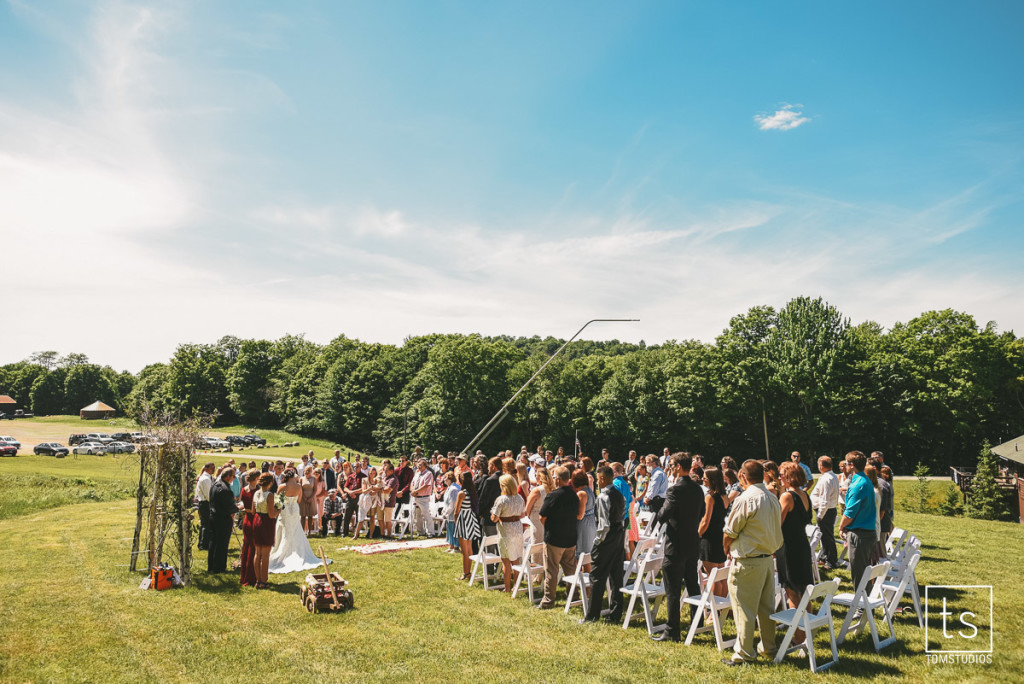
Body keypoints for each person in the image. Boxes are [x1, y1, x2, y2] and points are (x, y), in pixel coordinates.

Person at [721, 459, 783, 666]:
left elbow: (731, 530)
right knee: (766, 608)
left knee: (743, 608)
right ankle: (768, 647)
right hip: (767, 559)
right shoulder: (772, 496)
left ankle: (744, 653)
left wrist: (726, 547)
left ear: (742, 476)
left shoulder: (746, 498)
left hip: (748, 560)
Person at [652, 453, 705, 642]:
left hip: (675, 544)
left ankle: (672, 630)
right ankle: (697, 623)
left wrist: (658, 507)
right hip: (692, 542)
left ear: (679, 467)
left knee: (673, 589)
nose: (670, 467)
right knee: (692, 583)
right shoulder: (697, 489)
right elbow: (702, 512)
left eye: (672, 464)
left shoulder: (675, 490)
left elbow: (663, 515)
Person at [581, 465, 626, 624]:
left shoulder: (603, 497)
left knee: (597, 577)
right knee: (616, 576)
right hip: (619, 535)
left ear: (601, 479)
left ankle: (592, 615)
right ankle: (615, 613)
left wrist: (597, 543)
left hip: (607, 538)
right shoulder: (619, 494)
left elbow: (603, 526)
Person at [778, 461, 814, 643]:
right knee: (805, 591)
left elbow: (778, 523)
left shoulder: (787, 496)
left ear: (789, 476)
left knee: (792, 591)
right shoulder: (804, 495)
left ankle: (799, 638)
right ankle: (808, 633)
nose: (779, 478)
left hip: (789, 547)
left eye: (782, 475)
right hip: (802, 545)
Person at [268, 468, 329, 573]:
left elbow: (278, 502)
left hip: (285, 509)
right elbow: (299, 500)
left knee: (284, 529)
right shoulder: (299, 487)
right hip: (295, 509)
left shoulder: (282, 487)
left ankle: (281, 551)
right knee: (296, 528)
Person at [538, 467, 579, 610]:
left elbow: (542, 517)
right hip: (570, 537)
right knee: (571, 569)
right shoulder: (574, 495)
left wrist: (550, 526)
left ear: (557, 479)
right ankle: (573, 595)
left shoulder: (553, 495)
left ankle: (548, 600)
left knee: (551, 570)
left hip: (554, 538)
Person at [839, 451, 877, 591]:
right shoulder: (864, 480)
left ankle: (862, 607)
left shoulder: (858, 484)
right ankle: (866, 606)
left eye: (845, 464)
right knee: (864, 571)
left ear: (852, 465)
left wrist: (841, 527)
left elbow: (849, 513)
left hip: (860, 535)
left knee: (859, 573)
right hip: (868, 532)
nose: (844, 466)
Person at [490, 474, 526, 592]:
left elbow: (494, 518)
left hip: (506, 529)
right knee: (516, 559)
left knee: (505, 560)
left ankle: (507, 587)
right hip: (517, 528)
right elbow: (522, 514)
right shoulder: (519, 498)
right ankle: (516, 585)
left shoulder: (502, 499)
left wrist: (492, 514)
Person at [698, 466, 729, 597]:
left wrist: (697, 535)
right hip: (719, 536)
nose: (702, 479)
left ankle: (714, 610)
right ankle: (722, 609)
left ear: (712, 480)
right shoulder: (725, 496)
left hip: (709, 538)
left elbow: (706, 520)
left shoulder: (710, 497)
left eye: (705, 477)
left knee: (712, 576)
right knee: (721, 575)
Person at [810, 456, 839, 569]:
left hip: (825, 511)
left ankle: (832, 560)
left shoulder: (827, 479)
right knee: (824, 536)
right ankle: (824, 556)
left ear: (821, 466)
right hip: (827, 510)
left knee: (827, 537)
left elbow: (824, 499)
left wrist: (820, 514)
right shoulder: (831, 476)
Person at [252, 473, 279, 589]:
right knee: (265, 554)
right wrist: (279, 510)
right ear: (270, 483)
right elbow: (272, 514)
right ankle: (264, 581)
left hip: (256, 520)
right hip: (266, 522)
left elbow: (253, 511)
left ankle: (258, 580)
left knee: (257, 553)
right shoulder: (270, 495)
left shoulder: (256, 493)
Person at [207, 467, 237, 574]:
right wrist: (237, 508)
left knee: (213, 542)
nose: (234, 478)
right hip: (223, 519)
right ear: (228, 476)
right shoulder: (226, 489)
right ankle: (219, 567)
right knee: (222, 544)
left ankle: (211, 566)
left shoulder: (215, 485)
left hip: (213, 517)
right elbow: (230, 507)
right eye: (233, 476)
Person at [454, 471, 481, 580]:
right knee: (469, 548)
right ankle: (468, 572)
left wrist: (457, 523)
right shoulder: (473, 492)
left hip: (463, 519)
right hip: (471, 519)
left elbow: (456, 511)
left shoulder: (462, 493)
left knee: (464, 550)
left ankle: (466, 573)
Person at [239, 470, 260, 586]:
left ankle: (244, 576)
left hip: (246, 519)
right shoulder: (257, 491)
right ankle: (250, 577)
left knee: (246, 547)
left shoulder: (244, 489)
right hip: (253, 518)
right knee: (253, 547)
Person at [524, 466, 553, 547]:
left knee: (537, 546)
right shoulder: (553, 489)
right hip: (550, 521)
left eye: (536, 475)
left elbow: (527, 510)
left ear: (540, 477)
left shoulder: (537, 491)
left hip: (537, 521)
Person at [477, 457, 503, 540]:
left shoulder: (490, 480)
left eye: (489, 465)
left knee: (489, 546)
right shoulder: (505, 478)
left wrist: (480, 513)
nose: (488, 468)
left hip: (489, 516)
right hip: (502, 516)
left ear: (493, 466)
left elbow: (484, 499)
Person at [574, 469, 597, 559]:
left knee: (582, 555)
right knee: (588, 552)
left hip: (583, 524)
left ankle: (583, 573)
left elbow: (580, 515)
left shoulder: (582, 493)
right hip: (591, 522)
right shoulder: (589, 490)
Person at [870, 456, 894, 541]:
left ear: (874, 468)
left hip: (880, 524)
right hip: (876, 523)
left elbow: (882, 510)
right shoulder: (876, 482)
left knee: (880, 550)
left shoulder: (880, 484)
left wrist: (876, 525)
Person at [410, 458, 436, 537]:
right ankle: (421, 531)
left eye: (420, 465)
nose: (419, 466)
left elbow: (426, 485)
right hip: (416, 497)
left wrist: (416, 491)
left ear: (425, 466)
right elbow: (412, 483)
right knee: (418, 515)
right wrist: (412, 490)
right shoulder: (417, 473)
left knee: (426, 514)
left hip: (424, 497)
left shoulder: (428, 474)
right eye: (418, 464)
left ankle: (431, 532)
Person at [194, 462, 215, 551]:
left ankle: (204, 543)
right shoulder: (205, 479)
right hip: (205, 503)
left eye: (214, 468)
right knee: (206, 525)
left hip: (205, 503)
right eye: (211, 468)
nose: (213, 470)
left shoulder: (208, 478)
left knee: (206, 524)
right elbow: (208, 495)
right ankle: (203, 544)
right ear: (206, 468)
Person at [442, 472, 461, 552]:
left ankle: (456, 547)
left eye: (445, 478)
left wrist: (446, 513)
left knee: (454, 530)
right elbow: (446, 502)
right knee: (450, 529)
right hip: (449, 513)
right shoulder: (449, 488)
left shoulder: (454, 489)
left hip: (453, 514)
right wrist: (444, 511)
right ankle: (451, 546)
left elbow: (452, 504)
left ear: (450, 479)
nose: (444, 479)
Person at [381, 462, 398, 538]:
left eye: (387, 470)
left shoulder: (393, 479)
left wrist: (379, 489)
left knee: (387, 520)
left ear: (392, 471)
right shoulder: (385, 478)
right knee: (381, 519)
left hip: (389, 502)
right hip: (382, 501)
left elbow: (388, 490)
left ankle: (389, 534)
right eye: (384, 470)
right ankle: (382, 533)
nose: (385, 472)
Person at [299, 466, 317, 535]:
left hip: (311, 499)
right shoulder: (301, 479)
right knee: (303, 516)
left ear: (311, 472)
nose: (306, 472)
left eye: (308, 471)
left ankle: (309, 531)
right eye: (305, 471)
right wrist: (304, 497)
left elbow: (315, 490)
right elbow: (300, 489)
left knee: (310, 516)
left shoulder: (314, 479)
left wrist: (310, 498)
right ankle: (302, 532)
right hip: (303, 499)